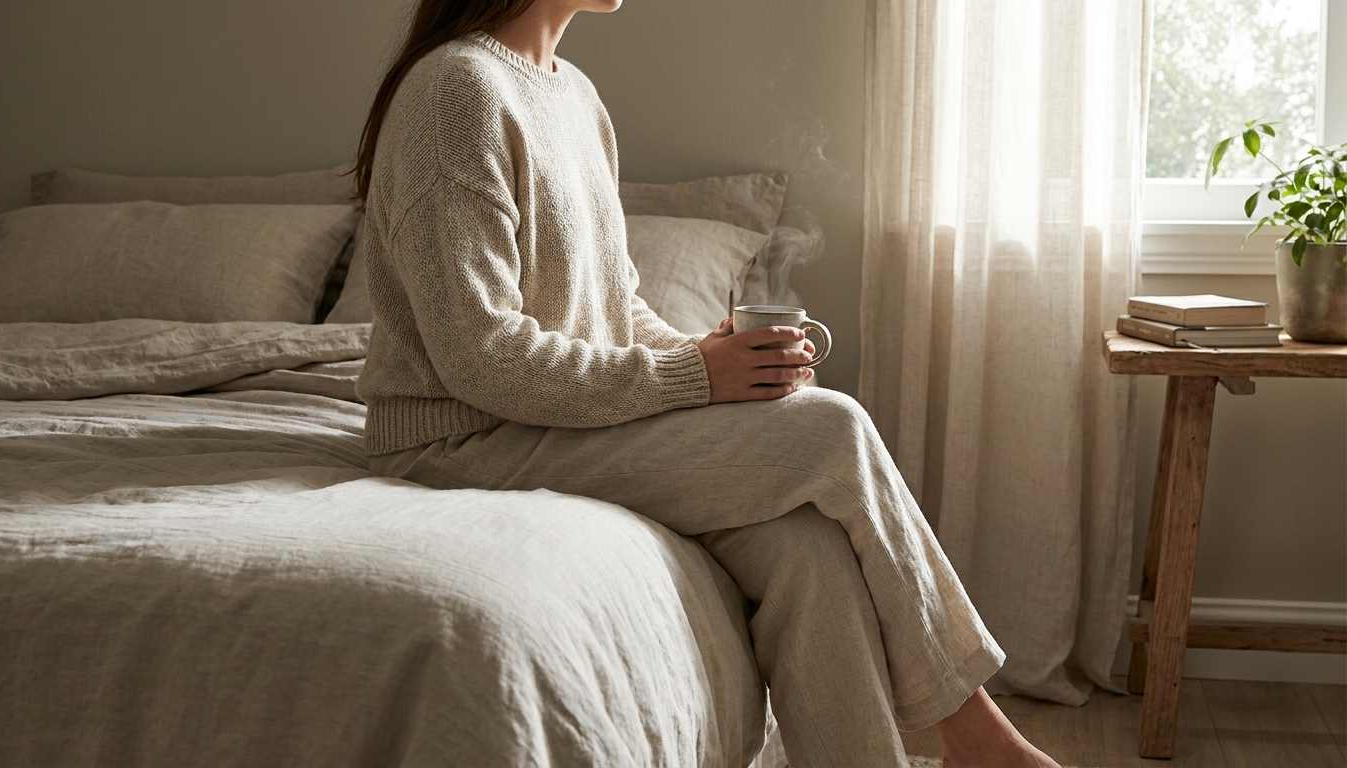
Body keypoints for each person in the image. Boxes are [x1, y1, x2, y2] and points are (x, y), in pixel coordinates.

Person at [353, 1, 1061, 766]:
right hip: (463, 439)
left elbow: (617, 307)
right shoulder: (454, 93)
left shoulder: (575, 95)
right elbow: (481, 356)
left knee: (807, 551)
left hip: (555, 419)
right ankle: (979, 739)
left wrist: (714, 357)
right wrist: (694, 376)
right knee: (833, 428)